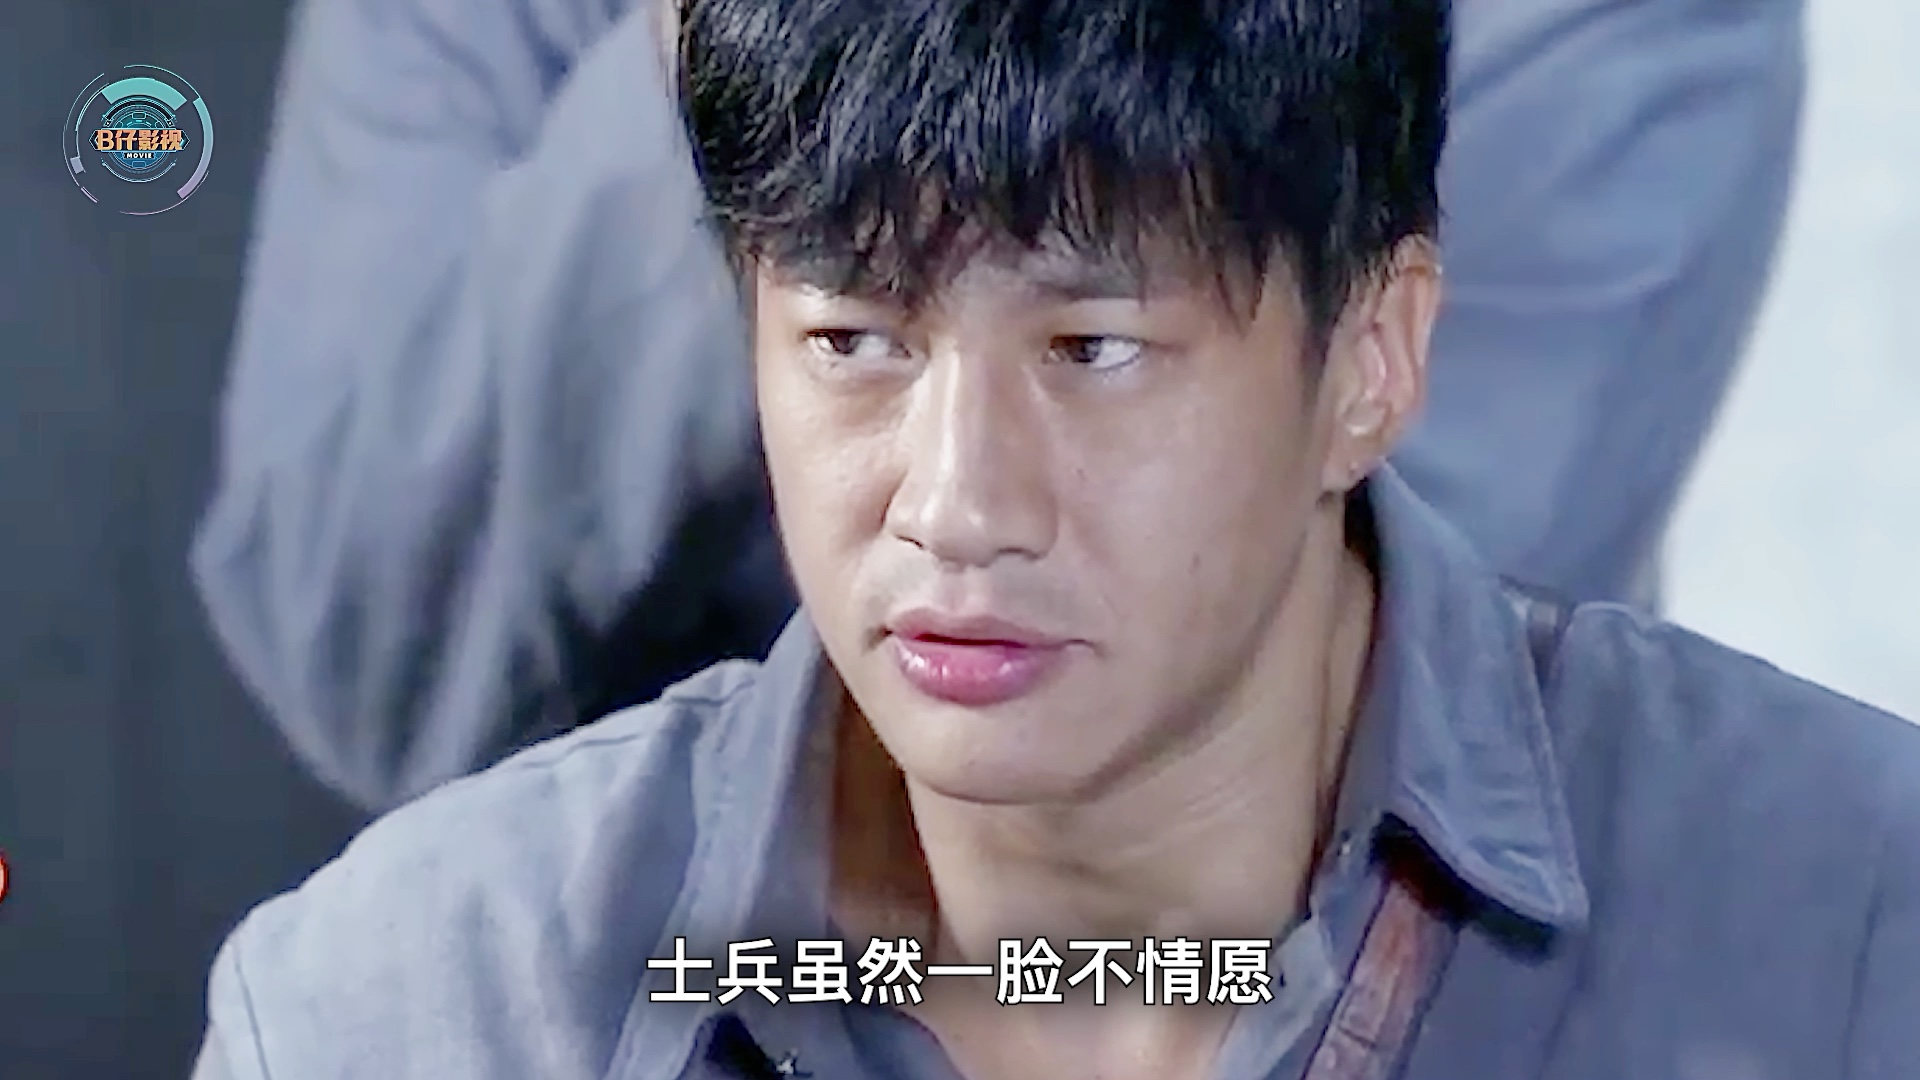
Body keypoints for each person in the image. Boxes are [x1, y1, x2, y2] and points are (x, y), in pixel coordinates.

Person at [190, 2, 1918, 1077]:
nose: (957, 504)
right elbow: (364, 610)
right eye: (852, 339)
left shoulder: (1851, 925)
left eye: (1093, 351)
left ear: (1376, 357)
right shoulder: (389, 1010)